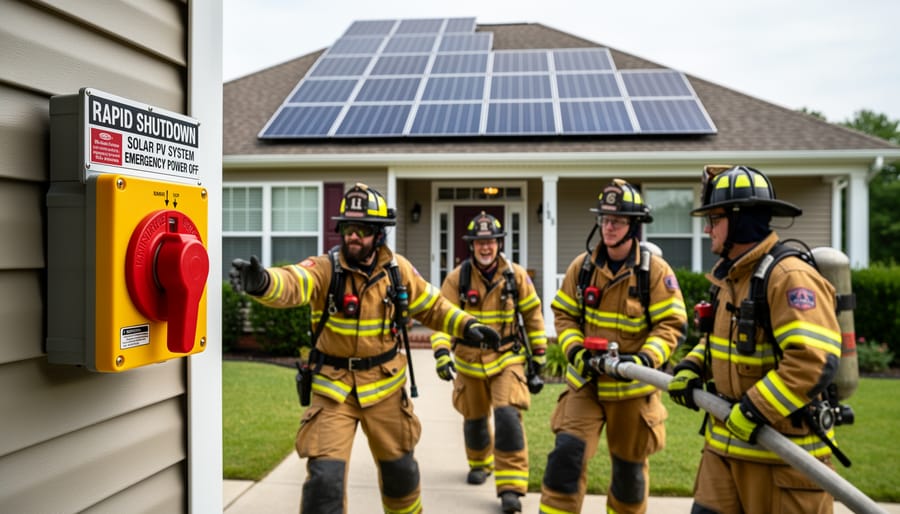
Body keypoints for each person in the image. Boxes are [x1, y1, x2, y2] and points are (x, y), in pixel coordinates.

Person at [230, 183, 500, 514]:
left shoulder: (398, 271)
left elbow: (434, 306)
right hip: (333, 391)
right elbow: (294, 282)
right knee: (323, 483)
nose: (352, 236)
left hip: (385, 388)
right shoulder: (325, 268)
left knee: (401, 474)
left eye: (361, 230)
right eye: (347, 228)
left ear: (378, 233)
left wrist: (468, 326)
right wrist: (262, 283)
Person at [667, 165, 842, 514]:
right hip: (723, 453)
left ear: (741, 220)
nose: (706, 229)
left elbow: (812, 361)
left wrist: (753, 408)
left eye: (714, 219)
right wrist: (691, 366)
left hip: (781, 458)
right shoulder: (732, 277)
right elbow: (721, 341)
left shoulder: (789, 278)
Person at [538, 179, 687, 514]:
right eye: (604, 220)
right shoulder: (583, 268)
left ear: (633, 226)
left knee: (629, 476)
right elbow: (564, 314)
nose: (608, 227)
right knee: (565, 458)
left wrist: (646, 358)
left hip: (633, 391)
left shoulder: (655, 273)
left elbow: (673, 324)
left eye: (617, 221)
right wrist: (576, 350)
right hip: (586, 385)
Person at [429, 211, 548, 514]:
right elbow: (441, 319)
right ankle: (479, 464)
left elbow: (533, 316)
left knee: (508, 418)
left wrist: (539, 355)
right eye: (480, 242)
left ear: (498, 244)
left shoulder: (515, 276)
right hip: (469, 361)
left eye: (491, 242)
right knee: (475, 420)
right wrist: (442, 352)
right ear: (471, 246)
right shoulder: (457, 278)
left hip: (507, 358)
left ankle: (511, 488)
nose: (486, 247)